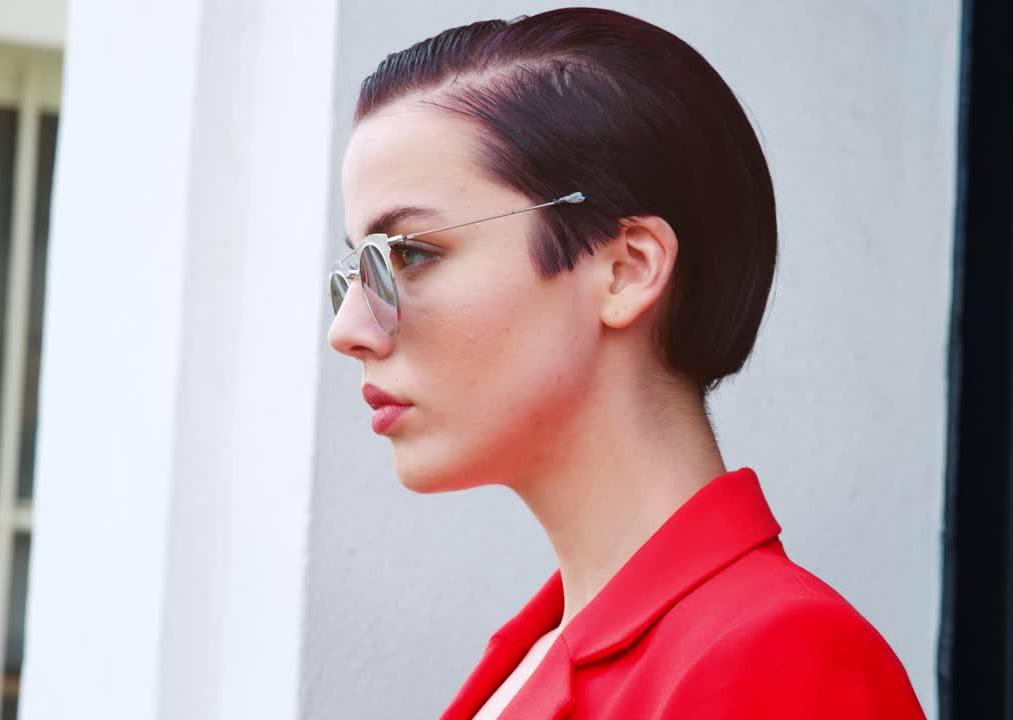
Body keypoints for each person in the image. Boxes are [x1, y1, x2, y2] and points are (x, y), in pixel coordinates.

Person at [326, 7, 925, 719]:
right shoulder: (528, 660)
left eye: (407, 255)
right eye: (355, 271)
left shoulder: (777, 654)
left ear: (626, 270)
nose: (348, 329)